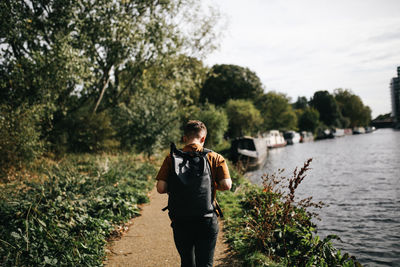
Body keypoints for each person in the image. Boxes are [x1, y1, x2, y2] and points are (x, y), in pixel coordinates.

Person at [156, 120, 232, 267]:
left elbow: (160, 188)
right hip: (207, 219)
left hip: (180, 220)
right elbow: (227, 185)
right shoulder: (215, 157)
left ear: (184, 138)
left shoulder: (171, 158)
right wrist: (212, 186)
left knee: (187, 263)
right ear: (203, 138)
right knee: (205, 264)